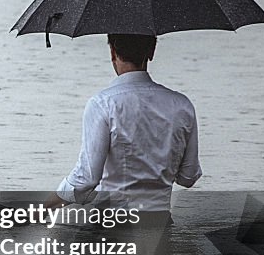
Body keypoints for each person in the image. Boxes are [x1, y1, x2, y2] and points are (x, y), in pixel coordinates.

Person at [45, 34, 201, 220]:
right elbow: (188, 177)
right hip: (160, 223)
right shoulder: (182, 105)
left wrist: (38, 210)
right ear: (151, 52)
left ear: (112, 52)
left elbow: (86, 179)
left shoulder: (103, 104)